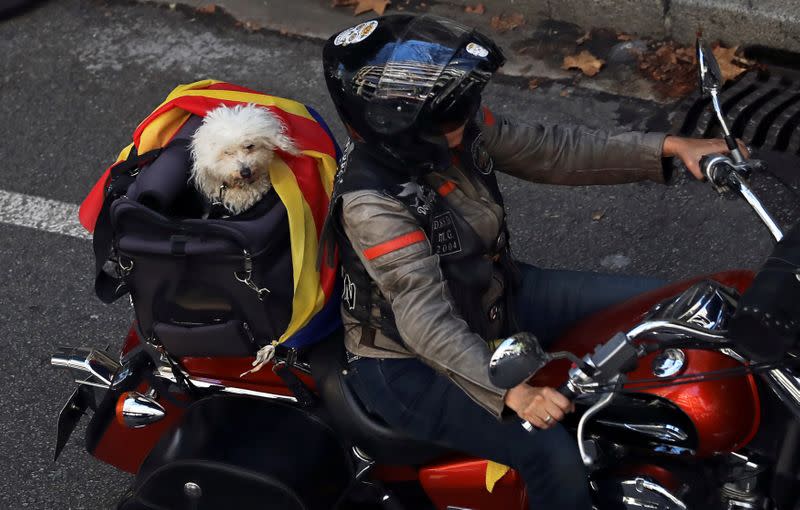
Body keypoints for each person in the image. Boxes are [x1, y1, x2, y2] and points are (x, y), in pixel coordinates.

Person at [321, 14, 738, 509]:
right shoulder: (373, 205)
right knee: (550, 451)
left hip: (496, 296)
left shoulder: (448, 127)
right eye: (449, 117)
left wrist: (670, 147)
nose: (466, 121)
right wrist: (511, 395)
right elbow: (424, 321)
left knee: (679, 307)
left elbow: (548, 150)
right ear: (395, 123)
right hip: (413, 366)